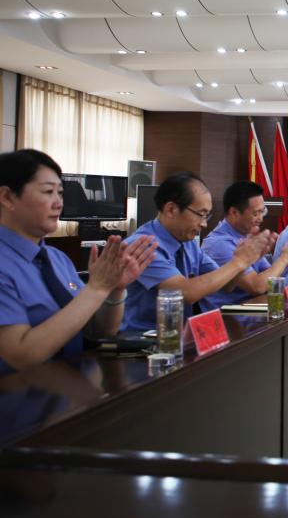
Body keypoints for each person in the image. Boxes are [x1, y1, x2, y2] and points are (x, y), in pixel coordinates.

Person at [0, 150, 158, 372]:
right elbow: (21, 355)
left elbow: (100, 331)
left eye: (60, 193)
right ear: (7, 197)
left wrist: (113, 289)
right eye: (48, 192)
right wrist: (96, 288)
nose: (58, 203)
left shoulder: (57, 258)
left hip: (72, 385)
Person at [122, 172, 273, 333]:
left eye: (207, 215)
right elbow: (185, 292)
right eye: (201, 214)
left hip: (178, 334)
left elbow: (227, 285)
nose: (204, 224)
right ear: (171, 209)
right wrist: (238, 262)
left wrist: (244, 261)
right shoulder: (143, 245)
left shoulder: (188, 243)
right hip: (140, 338)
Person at [199, 181, 288, 312]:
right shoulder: (219, 244)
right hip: (228, 316)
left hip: (252, 310)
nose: (261, 219)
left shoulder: (246, 236)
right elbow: (257, 287)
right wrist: (285, 258)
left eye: (262, 212)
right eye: (256, 213)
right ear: (234, 212)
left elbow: (270, 278)